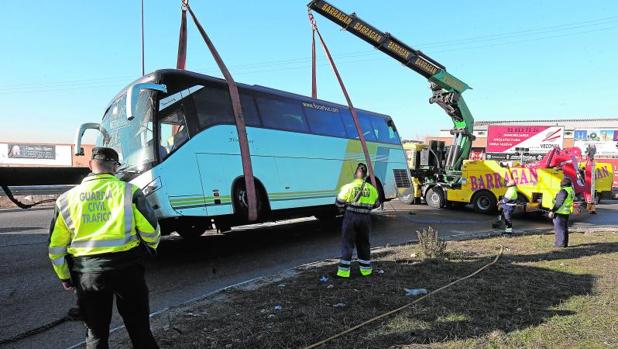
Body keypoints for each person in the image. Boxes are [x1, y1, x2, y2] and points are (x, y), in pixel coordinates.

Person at [48, 147, 160, 349]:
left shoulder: (65, 200)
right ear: (115, 168)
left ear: (91, 166)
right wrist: (149, 249)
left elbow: (56, 246)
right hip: (128, 271)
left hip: (88, 275)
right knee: (140, 330)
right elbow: (150, 229)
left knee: (96, 334)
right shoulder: (129, 191)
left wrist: (65, 276)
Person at [335, 163, 380, 278]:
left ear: (355, 174)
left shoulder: (348, 187)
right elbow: (376, 204)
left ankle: (343, 273)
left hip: (350, 217)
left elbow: (339, 202)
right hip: (365, 219)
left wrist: (344, 208)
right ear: (365, 176)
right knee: (364, 244)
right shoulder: (372, 189)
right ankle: (366, 271)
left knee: (347, 244)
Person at [548, 177, 575, 248]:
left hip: (559, 212)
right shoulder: (571, 191)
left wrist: (552, 211)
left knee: (559, 229)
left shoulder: (563, 191)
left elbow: (559, 203)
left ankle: (560, 244)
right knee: (564, 229)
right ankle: (564, 243)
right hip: (566, 212)